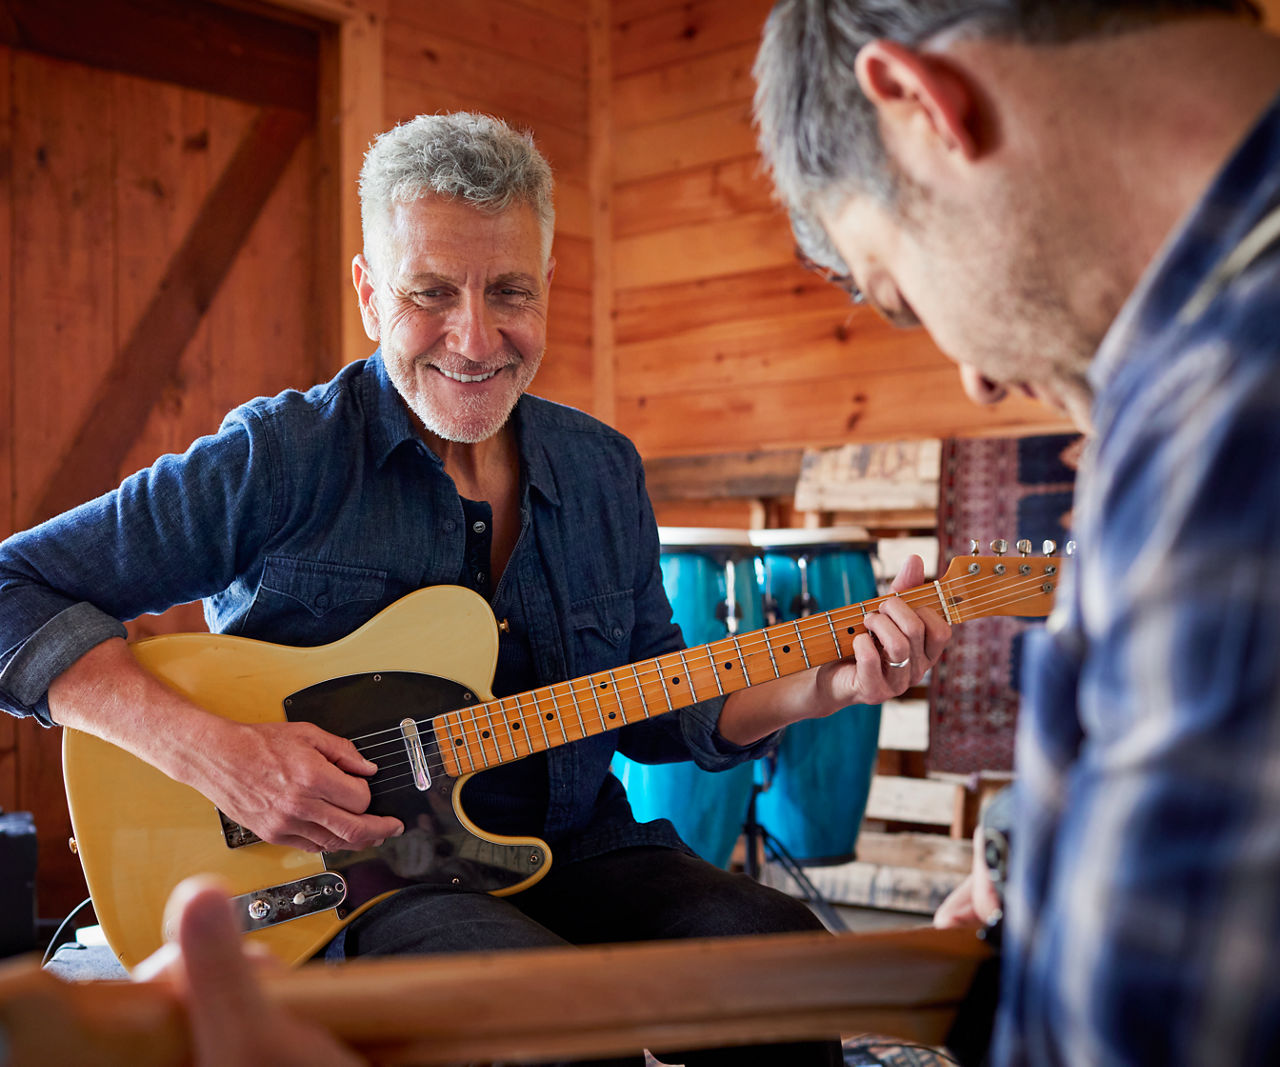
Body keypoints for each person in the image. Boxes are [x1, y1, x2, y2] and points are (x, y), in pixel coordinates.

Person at [0, 112, 950, 1067]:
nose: (475, 336)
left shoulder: (602, 469)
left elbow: (659, 701)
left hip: (571, 850)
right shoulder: (279, 457)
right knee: (551, 1024)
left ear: (548, 288)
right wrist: (219, 756)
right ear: (370, 295)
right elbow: (11, 585)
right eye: (431, 293)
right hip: (357, 883)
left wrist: (828, 682)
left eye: (509, 292)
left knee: (779, 959)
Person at [753, 1, 1280, 1064]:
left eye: (898, 292)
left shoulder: (1223, 419)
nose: (977, 376)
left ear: (914, 102)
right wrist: (1042, 890)